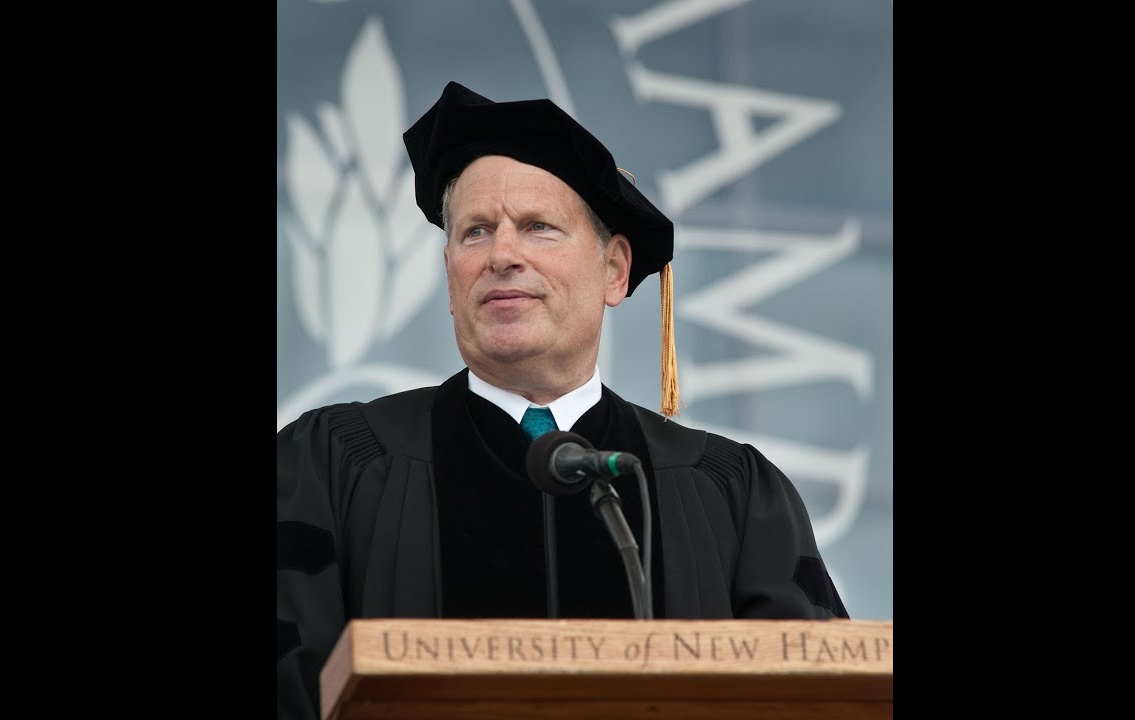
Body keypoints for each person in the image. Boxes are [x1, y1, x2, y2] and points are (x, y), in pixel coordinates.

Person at [276, 80, 849, 719]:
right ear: (448, 277)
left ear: (614, 270)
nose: (502, 255)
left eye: (538, 227)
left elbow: (812, 697)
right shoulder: (332, 465)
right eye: (475, 232)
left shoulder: (729, 493)